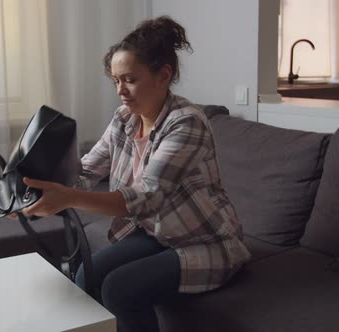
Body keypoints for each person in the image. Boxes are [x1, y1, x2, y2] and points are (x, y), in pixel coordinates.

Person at [14, 16, 251, 332]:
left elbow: (146, 198)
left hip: (205, 243)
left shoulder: (187, 123)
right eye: (115, 81)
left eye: (129, 79)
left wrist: (69, 198)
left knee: (119, 289)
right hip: (157, 234)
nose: (120, 91)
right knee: (86, 276)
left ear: (163, 75)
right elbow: (86, 169)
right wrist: (33, 193)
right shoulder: (124, 118)